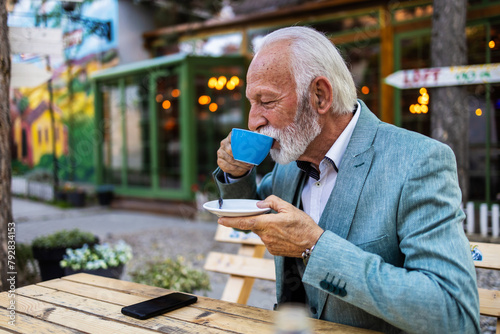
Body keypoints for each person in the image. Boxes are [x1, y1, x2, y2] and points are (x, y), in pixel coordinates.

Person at [214, 26, 480, 333]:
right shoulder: (290, 161)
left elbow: (454, 314)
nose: (253, 120)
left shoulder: (418, 162)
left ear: (320, 96)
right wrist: (238, 173)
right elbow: (254, 211)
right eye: (252, 103)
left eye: (267, 101)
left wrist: (314, 246)